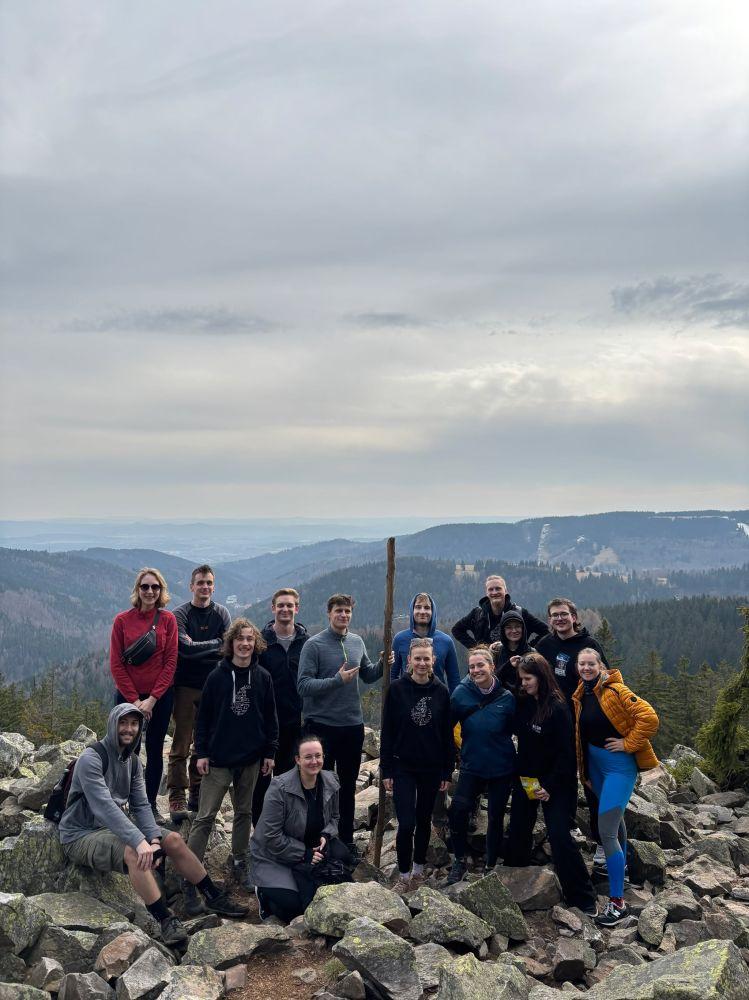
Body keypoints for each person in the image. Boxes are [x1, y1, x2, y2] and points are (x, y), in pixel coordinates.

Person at [59, 704, 246, 946]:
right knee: (134, 852)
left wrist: (155, 840)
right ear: (112, 724)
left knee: (173, 840)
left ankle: (212, 895)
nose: (128, 729)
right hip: (80, 834)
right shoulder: (91, 758)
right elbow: (103, 807)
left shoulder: (133, 762)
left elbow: (141, 805)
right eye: (123, 723)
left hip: (111, 828)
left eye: (134, 724)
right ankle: (165, 920)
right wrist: (139, 841)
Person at [185, 618, 278, 911]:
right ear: (231, 643)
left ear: (256, 643)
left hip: (250, 758)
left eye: (250, 639)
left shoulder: (263, 677)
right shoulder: (217, 677)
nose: (245, 644)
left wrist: (270, 752)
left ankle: (240, 862)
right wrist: (201, 752)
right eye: (240, 639)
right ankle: (189, 875)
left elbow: (271, 718)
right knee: (205, 817)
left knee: (244, 812)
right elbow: (203, 718)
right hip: (218, 759)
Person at [297, 593, 391, 857]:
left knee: (347, 788)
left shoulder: (356, 641)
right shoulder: (314, 645)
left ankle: (346, 842)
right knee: (319, 787)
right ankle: (318, 841)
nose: (343, 615)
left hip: (351, 725)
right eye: (339, 610)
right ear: (329, 613)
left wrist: (383, 663)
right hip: (321, 727)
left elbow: (368, 674)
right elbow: (303, 685)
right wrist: (336, 681)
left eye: (347, 611)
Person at [572, 648, 660, 926]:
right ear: (577, 667)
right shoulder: (581, 693)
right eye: (582, 664)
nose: (586, 668)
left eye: (591, 664)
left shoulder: (616, 690)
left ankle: (618, 903)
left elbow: (649, 718)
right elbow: (583, 735)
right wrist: (585, 771)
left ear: (601, 666)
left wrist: (627, 743)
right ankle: (621, 876)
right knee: (615, 825)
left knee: (607, 832)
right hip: (596, 769)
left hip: (619, 769)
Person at [504, 653, 597, 914]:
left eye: (528, 678)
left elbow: (567, 755)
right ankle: (516, 881)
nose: (524, 683)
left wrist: (549, 786)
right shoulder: (524, 701)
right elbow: (496, 682)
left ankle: (583, 898)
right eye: (521, 679)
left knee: (559, 835)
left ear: (541, 677)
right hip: (527, 779)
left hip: (557, 782)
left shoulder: (558, 707)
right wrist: (509, 665)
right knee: (519, 828)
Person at [381, 638, 455, 892]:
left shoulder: (441, 691)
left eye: (426, 658)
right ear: (409, 660)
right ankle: (403, 875)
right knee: (406, 823)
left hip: (431, 767)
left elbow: (447, 735)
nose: (422, 663)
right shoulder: (397, 689)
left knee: (424, 820)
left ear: (433, 660)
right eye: (417, 658)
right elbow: (388, 731)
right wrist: (386, 769)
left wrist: (447, 770)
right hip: (402, 766)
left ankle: (418, 871)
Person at [250, 735, 351, 923]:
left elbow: (335, 817)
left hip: (311, 844)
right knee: (295, 907)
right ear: (297, 759)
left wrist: (326, 834)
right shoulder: (279, 788)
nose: (314, 761)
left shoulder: (330, 780)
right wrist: (304, 854)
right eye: (308, 757)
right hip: (275, 854)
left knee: (343, 857)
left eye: (318, 756)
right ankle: (264, 893)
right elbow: (270, 836)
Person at [110, 567, 178, 820]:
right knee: (128, 750)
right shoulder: (122, 621)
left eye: (155, 587)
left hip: (160, 697)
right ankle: (125, 802)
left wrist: (152, 699)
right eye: (145, 586)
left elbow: (170, 663)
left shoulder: (168, 620)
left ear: (161, 590)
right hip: (128, 697)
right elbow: (116, 664)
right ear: (137, 590)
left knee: (155, 748)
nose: (150, 591)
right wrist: (135, 701)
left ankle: (149, 805)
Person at [446, 645, 516, 885]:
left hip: (501, 766)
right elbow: (445, 729)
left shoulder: (507, 698)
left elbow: (517, 729)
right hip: (471, 764)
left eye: (480, 665)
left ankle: (490, 864)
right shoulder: (460, 694)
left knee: (496, 816)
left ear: (492, 667)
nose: (476, 670)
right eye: (472, 667)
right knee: (458, 810)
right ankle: (459, 861)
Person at [167, 565, 232, 823]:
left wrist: (201, 648)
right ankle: (176, 794)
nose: (205, 587)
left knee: (203, 743)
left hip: (212, 688)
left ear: (213, 587)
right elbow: (185, 650)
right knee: (181, 743)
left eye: (209, 583)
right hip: (184, 686)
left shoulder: (221, 613)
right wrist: (214, 644)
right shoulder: (180, 614)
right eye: (200, 583)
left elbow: (228, 648)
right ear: (191, 586)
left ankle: (196, 792)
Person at [252, 588, 309, 826]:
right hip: (264, 723)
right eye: (281, 605)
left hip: (293, 722)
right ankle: (259, 832)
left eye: (290, 605)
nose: (285, 609)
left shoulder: (306, 643)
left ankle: (284, 830)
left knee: (288, 781)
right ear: (273, 608)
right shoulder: (260, 642)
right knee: (261, 782)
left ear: (297, 609)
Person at [534, 598, 609, 705]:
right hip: (553, 708)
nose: (559, 618)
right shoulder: (544, 644)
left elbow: (606, 676)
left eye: (564, 614)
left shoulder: (589, 644)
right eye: (555, 615)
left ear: (573, 617)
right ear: (550, 620)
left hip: (583, 707)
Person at [452, 574, 548, 651]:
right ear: (486, 593)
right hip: (485, 666)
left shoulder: (520, 613)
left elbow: (546, 632)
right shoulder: (477, 614)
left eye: (498, 588)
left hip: (513, 667)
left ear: (505, 591)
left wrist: (527, 649)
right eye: (490, 589)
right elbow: (457, 630)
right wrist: (477, 649)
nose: (494, 592)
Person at [390, 593, 460, 693]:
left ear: (433, 612)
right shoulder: (400, 639)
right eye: (418, 607)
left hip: (438, 699)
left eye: (427, 608)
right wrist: (395, 697)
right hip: (406, 698)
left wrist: (453, 701)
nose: (422, 611)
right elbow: (393, 675)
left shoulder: (446, 641)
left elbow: (454, 679)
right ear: (412, 611)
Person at [491, 608, 536, 693]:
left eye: (517, 626)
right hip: (502, 699)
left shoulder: (532, 653)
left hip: (526, 699)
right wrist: (508, 665)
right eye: (509, 627)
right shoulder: (497, 652)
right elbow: (492, 681)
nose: (514, 631)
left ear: (523, 628)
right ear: (503, 630)